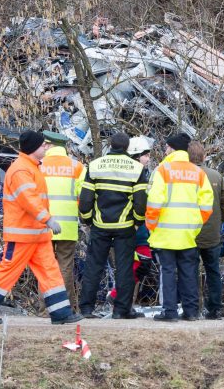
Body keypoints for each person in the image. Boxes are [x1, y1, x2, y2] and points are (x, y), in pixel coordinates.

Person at [0, 130, 82, 325]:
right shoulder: (21, 169)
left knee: (50, 271)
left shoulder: (30, 167)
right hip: (23, 235)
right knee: (8, 271)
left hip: (36, 234)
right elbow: (29, 200)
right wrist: (48, 219)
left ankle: (61, 312)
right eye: (43, 145)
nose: (46, 147)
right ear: (33, 148)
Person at [78, 132, 149, 319]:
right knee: (125, 268)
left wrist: (87, 219)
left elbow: (86, 198)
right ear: (126, 148)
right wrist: (137, 222)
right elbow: (141, 201)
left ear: (110, 145)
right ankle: (121, 310)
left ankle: (86, 308)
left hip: (100, 225)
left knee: (94, 266)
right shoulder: (136, 168)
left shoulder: (94, 165)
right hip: (125, 226)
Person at [146, 133, 213, 321]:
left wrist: (151, 226)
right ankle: (191, 312)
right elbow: (207, 205)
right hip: (188, 233)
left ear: (172, 148)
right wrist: (196, 225)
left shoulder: (162, 170)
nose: (165, 150)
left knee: (167, 272)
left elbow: (154, 202)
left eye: (167, 147)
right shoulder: (198, 172)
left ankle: (170, 312)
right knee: (188, 272)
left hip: (165, 233)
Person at [40, 130, 85, 305]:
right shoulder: (77, 166)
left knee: (45, 267)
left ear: (49, 145)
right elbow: (84, 196)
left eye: (44, 145)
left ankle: (45, 308)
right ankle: (65, 306)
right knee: (65, 267)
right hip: (68, 226)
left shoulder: (38, 165)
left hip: (44, 224)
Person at [109, 136, 155, 302]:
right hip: (133, 227)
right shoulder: (132, 174)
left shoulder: (144, 173)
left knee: (140, 264)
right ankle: (117, 297)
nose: (148, 159)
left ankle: (121, 300)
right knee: (138, 264)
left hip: (142, 228)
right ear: (136, 155)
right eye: (146, 155)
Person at [188, 140, 224, 320]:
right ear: (204, 156)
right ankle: (215, 309)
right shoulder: (216, 176)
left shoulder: (184, 175)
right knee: (213, 271)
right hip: (212, 232)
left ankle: (192, 308)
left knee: (190, 272)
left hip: (190, 233)